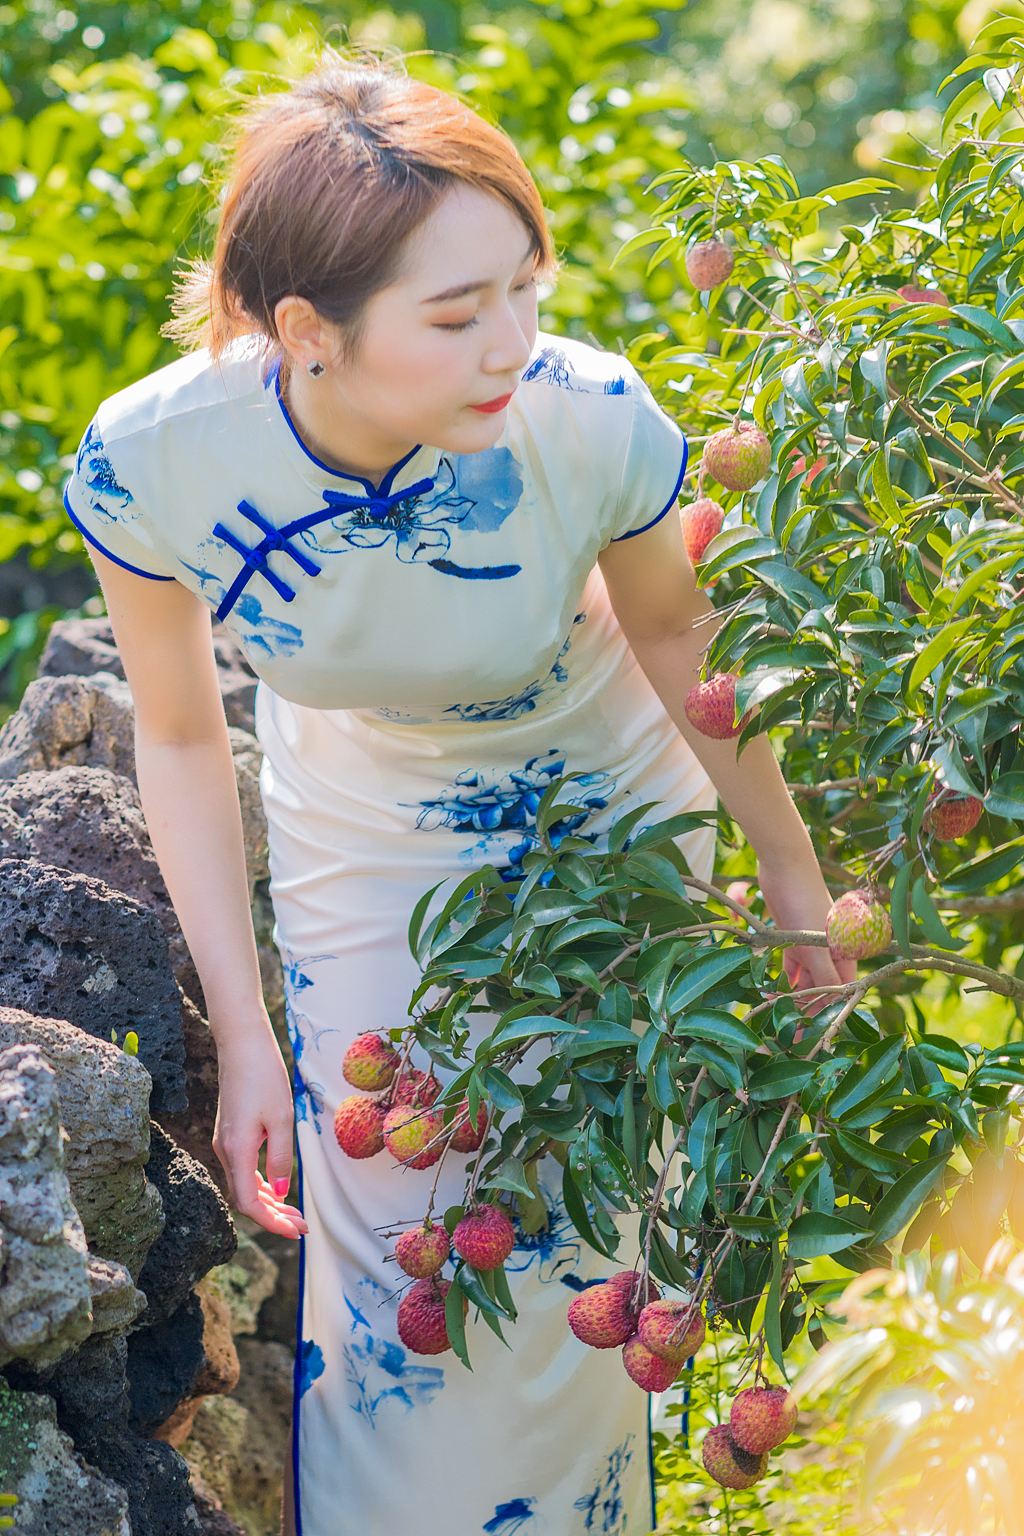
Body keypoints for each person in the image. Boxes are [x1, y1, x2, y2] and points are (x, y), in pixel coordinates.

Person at [64, 57, 850, 1536]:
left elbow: (686, 646)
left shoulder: (585, 415)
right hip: (364, 831)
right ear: (308, 331)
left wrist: (792, 884)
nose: (515, 343)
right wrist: (246, 1034)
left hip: (605, 809)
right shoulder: (156, 460)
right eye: (456, 313)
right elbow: (175, 735)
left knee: (584, 1243)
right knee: (397, 1264)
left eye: (525, 288)